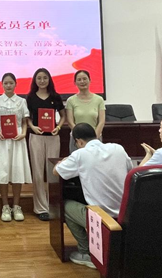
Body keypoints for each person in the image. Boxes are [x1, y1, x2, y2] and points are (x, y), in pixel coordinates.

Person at [53, 123, 133, 269]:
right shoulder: (118, 148)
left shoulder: (80, 154)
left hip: (102, 218)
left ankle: (86, 253)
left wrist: (64, 161)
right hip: (125, 214)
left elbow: (56, 171)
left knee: (65, 206)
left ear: (79, 141)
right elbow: (129, 171)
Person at [0, 72, 32, 222]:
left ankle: (17, 206)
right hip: (1, 139)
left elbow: (24, 122)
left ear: (15, 84)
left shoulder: (22, 101)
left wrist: (23, 133)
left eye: (11, 83)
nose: (8, 85)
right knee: (2, 172)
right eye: (5, 83)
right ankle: (5, 206)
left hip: (17, 139)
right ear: (2, 84)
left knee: (17, 172)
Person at [26, 68, 66, 221]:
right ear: (35, 80)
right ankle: (40, 208)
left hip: (53, 137)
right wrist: (33, 127)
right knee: (37, 172)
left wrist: (58, 127)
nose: (42, 81)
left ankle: (52, 205)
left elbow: (63, 116)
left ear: (49, 79)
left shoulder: (55, 96)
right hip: (36, 137)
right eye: (39, 78)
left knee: (52, 172)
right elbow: (27, 118)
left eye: (45, 78)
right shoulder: (30, 97)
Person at [66, 69, 105, 152]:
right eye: (79, 79)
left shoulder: (99, 100)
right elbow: (70, 122)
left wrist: (94, 138)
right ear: (75, 83)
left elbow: (101, 121)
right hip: (77, 139)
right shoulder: (70, 100)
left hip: (95, 138)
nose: (82, 81)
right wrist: (80, 138)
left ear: (90, 80)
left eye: (84, 79)